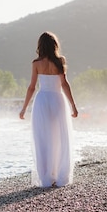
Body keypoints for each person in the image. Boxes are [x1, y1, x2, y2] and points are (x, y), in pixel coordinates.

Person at [19, 32, 78, 187]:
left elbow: (31, 87)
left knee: (43, 138)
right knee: (59, 137)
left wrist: (24, 108)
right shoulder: (60, 61)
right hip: (58, 100)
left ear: (40, 45)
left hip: (42, 100)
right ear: (54, 45)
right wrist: (73, 105)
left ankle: (46, 176)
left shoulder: (36, 63)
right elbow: (65, 84)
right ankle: (59, 175)